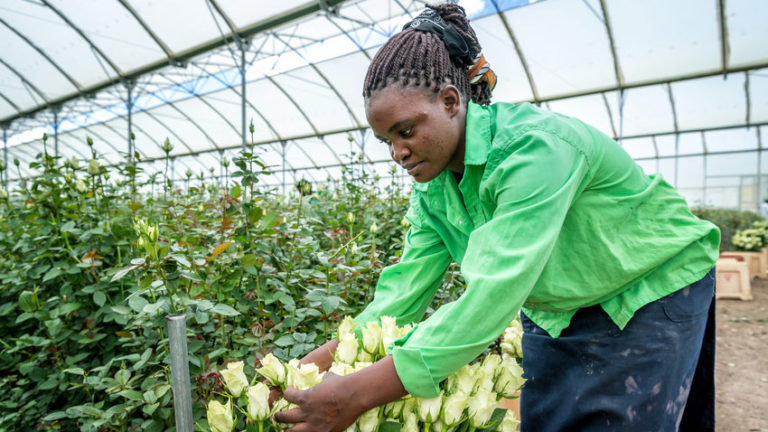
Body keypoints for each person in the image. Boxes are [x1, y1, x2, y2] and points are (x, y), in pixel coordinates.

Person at [274, 4, 720, 431]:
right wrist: (312, 365)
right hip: (558, 308)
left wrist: (356, 394)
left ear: (451, 101)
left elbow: (492, 296)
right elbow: (402, 294)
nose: (398, 152)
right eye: (386, 140)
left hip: (648, 289)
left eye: (406, 131)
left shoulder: (535, 150)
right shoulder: (433, 189)